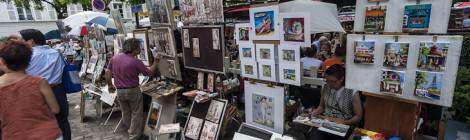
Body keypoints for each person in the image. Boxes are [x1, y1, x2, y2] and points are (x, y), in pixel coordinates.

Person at [0, 39, 62, 140]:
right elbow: (55, 109)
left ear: (2, 61)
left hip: (14, 135)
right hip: (48, 134)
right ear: (29, 59)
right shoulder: (40, 82)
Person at [287, 65, 362, 140]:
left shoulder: (352, 92)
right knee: (314, 136)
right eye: (327, 80)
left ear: (341, 79)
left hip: (344, 124)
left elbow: (358, 116)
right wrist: (314, 112)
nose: (329, 84)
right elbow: (321, 107)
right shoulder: (325, 87)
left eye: (333, 81)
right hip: (326, 121)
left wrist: (345, 122)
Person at [20, 29, 71, 140]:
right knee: (62, 121)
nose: (22, 43)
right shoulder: (56, 53)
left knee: (40, 124)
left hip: (36, 92)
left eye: (23, 40)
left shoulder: (27, 56)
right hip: (58, 91)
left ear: (31, 41)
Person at [105, 38, 160, 140]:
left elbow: (107, 72)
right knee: (136, 113)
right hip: (132, 90)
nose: (140, 49)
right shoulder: (135, 61)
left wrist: (109, 85)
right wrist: (156, 62)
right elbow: (149, 73)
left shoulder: (115, 58)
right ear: (134, 48)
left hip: (120, 90)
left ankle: (131, 131)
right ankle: (134, 136)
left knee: (126, 112)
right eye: (139, 47)